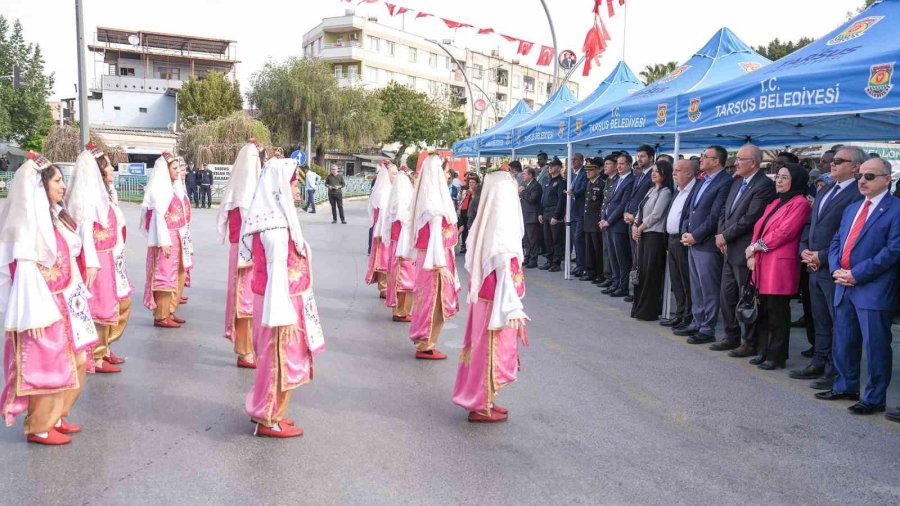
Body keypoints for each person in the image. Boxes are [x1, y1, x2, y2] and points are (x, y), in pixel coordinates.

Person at [0, 152, 99, 445]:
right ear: (40, 187)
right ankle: (40, 426)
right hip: (42, 309)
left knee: (77, 360)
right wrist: (32, 316)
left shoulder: (54, 218)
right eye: (57, 181)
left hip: (65, 304)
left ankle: (57, 416)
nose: (62, 187)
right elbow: (23, 272)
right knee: (48, 368)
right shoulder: (27, 228)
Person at [241, 157, 323, 438]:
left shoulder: (275, 221)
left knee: (276, 359)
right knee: (277, 360)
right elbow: (277, 277)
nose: (298, 190)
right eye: (294, 184)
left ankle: (274, 411)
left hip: (282, 303)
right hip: (279, 307)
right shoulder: (275, 228)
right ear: (279, 189)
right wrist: (283, 319)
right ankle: (267, 417)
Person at [817, 158, 900, 415]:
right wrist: (835, 270)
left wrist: (857, 274)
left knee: (875, 345)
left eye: (870, 176)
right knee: (843, 338)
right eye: (861, 176)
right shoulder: (853, 208)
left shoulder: (896, 209)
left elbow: (894, 250)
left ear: (887, 179)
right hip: (844, 283)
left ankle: (874, 398)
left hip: (873, 287)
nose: (862, 181)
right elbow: (837, 241)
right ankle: (845, 385)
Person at [452, 168, 529, 423]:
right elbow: (504, 268)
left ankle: (486, 399)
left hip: (488, 298)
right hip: (496, 301)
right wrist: (513, 307)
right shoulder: (500, 226)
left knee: (484, 348)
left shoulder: (489, 221)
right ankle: (480, 405)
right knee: (491, 350)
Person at [791, 146, 864, 386]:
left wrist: (821, 256)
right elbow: (810, 223)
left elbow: (848, 234)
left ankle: (835, 370)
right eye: (832, 160)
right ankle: (819, 361)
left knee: (838, 323)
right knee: (820, 319)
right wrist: (803, 249)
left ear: (855, 167)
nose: (832, 163)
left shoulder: (857, 194)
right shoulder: (826, 191)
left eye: (839, 161)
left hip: (833, 267)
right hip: (813, 265)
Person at [65, 143, 133, 373]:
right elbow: (85, 235)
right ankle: (95, 355)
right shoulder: (87, 199)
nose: (112, 168)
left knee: (121, 303)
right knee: (102, 308)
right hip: (99, 260)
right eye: (107, 166)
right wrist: (92, 264)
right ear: (97, 171)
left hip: (112, 258)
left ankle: (105, 347)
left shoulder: (103, 194)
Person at [744, 163, 810, 370]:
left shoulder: (800, 203)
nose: (778, 180)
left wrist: (756, 247)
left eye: (784, 177)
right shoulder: (774, 203)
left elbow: (784, 233)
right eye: (778, 176)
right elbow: (759, 227)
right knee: (763, 309)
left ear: (796, 180)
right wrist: (752, 251)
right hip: (763, 261)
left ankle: (777, 355)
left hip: (779, 264)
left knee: (777, 312)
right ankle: (763, 350)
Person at [711, 144, 776, 353]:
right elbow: (724, 211)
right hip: (728, 247)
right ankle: (731, 335)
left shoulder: (763, 185)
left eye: (740, 159)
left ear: (754, 162)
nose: (736, 162)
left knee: (745, 296)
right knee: (726, 295)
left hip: (744, 249)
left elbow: (751, 218)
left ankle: (749, 341)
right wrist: (721, 235)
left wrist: (725, 236)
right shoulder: (737, 183)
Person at [675, 145, 732, 344]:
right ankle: (697, 322)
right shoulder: (702, 180)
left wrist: (696, 236)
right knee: (696, 286)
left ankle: (708, 327)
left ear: (716, 161)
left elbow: (714, 216)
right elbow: (690, 208)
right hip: (691, 240)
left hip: (706, 243)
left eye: (705, 156)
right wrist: (684, 231)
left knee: (708, 287)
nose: (701, 159)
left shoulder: (724, 182)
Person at [408, 154, 460, 360]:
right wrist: (440, 264)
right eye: (445, 172)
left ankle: (426, 342)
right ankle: (425, 343)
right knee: (433, 302)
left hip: (427, 259)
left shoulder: (427, 200)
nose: (448, 176)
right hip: (434, 260)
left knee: (426, 300)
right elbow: (435, 239)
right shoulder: (434, 204)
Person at [217, 140, 262, 368]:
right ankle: (245, 351)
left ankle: (251, 347)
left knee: (253, 301)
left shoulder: (243, 192)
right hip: (245, 254)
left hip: (251, 254)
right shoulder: (244, 193)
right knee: (244, 301)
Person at [141, 151, 187, 328]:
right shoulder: (160, 189)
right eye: (174, 168)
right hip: (165, 241)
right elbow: (158, 217)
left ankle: (168, 311)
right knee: (164, 277)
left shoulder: (171, 188)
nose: (177, 171)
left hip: (174, 238)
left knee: (172, 276)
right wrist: (164, 241)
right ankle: (161, 316)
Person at [630, 161, 674, 321]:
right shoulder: (650, 190)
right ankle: (639, 307)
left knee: (650, 273)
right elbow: (640, 209)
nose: (653, 173)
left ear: (665, 174)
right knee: (641, 272)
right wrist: (635, 224)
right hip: (643, 234)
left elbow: (656, 215)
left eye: (658, 171)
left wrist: (640, 227)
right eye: (653, 171)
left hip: (654, 236)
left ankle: (648, 310)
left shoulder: (666, 192)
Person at [661, 159, 699, 328]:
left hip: (683, 240)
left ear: (689, 173)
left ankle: (688, 316)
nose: (674, 174)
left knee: (686, 281)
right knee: (676, 280)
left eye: (678, 170)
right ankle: (680, 312)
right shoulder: (678, 190)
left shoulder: (694, 190)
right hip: (672, 239)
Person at [623, 145, 656, 301]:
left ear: (651, 157)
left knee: (641, 261)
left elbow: (649, 201)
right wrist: (627, 213)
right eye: (638, 156)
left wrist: (635, 217)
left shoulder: (653, 175)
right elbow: (632, 197)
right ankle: (636, 291)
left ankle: (640, 294)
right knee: (635, 259)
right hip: (633, 222)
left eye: (642, 156)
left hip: (642, 223)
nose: (639, 159)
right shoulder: (640, 175)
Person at [601, 152, 635, 296]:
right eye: (618, 164)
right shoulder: (617, 180)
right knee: (613, 256)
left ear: (628, 165)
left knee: (621, 257)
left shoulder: (630, 180)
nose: (619, 166)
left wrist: (608, 220)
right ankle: (615, 282)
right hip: (609, 224)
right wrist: (603, 218)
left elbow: (622, 204)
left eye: (622, 164)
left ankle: (623, 285)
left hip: (618, 224)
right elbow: (608, 201)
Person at [385, 166, 416, 322]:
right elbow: (405, 218)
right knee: (404, 277)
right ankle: (400, 310)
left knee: (401, 276)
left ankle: (401, 309)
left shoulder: (396, 198)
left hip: (398, 242)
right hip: (402, 244)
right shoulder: (403, 198)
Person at [365, 163, 396, 298]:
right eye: (393, 173)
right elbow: (381, 214)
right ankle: (384, 287)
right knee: (384, 259)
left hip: (387, 230)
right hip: (383, 231)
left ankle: (386, 286)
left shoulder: (391, 189)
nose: (396, 176)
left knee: (388, 259)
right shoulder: (384, 191)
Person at [538, 158, 566, 272]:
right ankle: (549, 260)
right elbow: (543, 198)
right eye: (549, 166)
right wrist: (540, 212)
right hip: (546, 212)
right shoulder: (548, 181)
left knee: (556, 239)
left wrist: (556, 215)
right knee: (547, 239)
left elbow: (561, 200)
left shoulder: (561, 182)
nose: (550, 168)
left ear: (559, 168)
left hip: (554, 213)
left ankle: (556, 262)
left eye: (553, 166)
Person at [597, 155, 619, 288]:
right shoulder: (608, 180)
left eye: (608, 164)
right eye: (604, 164)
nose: (605, 167)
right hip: (605, 219)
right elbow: (604, 202)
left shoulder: (617, 180)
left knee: (612, 251)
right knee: (606, 250)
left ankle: (612, 277)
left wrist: (607, 219)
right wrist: (602, 218)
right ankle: (608, 275)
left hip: (613, 221)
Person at [581, 161, 605, 282]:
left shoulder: (602, 183)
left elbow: (602, 204)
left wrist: (600, 219)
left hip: (596, 221)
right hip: (588, 220)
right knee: (589, 248)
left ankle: (599, 273)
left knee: (597, 249)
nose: (588, 172)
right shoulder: (589, 183)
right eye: (587, 170)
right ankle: (590, 271)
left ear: (597, 170)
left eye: (591, 169)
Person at [566, 153, 587, 277]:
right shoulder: (574, 174)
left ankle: (581, 265)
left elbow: (583, 189)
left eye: (575, 160)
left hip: (580, 212)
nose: (573, 162)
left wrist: (574, 192)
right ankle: (579, 265)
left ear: (582, 161)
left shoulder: (584, 173)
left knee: (578, 239)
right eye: (571, 160)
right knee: (574, 239)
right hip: (573, 212)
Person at [519, 167, 543, 268]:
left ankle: (533, 259)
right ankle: (527, 256)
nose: (523, 175)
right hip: (525, 215)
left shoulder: (536, 186)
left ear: (530, 175)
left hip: (532, 215)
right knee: (526, 239)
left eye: (525, 174)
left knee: (533, 239)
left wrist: (523, 192)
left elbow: (532, 199)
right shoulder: (525, 185)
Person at [457, 174, 478, 255]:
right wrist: (460, 192)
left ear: (476, 184)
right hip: (463, 211)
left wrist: (473, 194)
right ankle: (463, 245)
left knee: (469, 229)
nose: (471, 184)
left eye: (473, 182)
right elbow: (459, 199)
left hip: (471, 211)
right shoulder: (465, 190)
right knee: (463, 228)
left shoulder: (477, 192)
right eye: (470, 182)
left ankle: (469, 246)